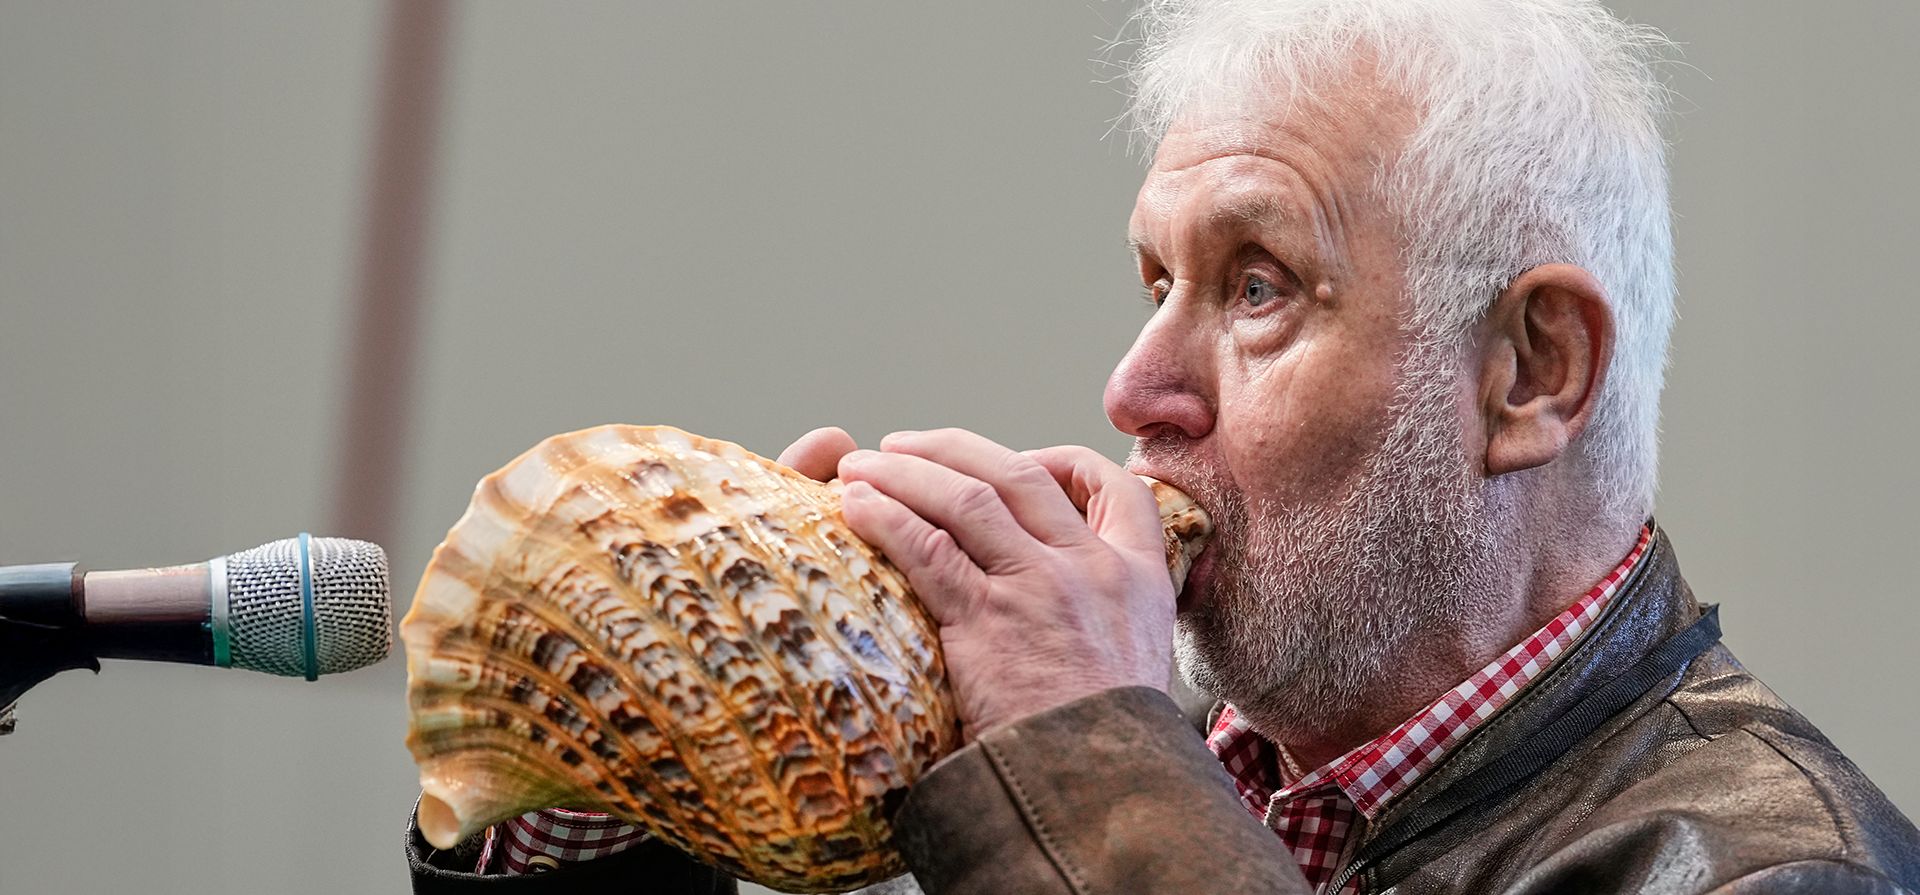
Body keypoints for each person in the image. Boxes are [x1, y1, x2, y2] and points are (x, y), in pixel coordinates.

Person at [408, 0, 1920, 891]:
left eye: (1257, 285)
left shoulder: (1771, 863)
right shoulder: (1204, 786)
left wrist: (1085, 768)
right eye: (1154, 281)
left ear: (1533, 370)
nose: (1135, 388)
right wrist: (616, 782)